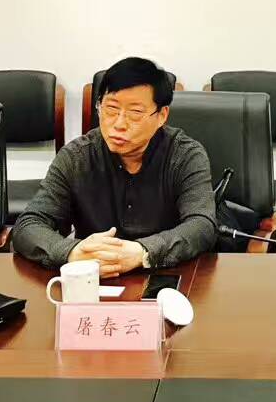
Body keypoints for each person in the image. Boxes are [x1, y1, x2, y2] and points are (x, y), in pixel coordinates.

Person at [12, 57, 216, 273]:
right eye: (111, 109)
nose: (119, 124)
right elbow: (29, 225)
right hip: (94, 278)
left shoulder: (185, 155)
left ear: (161, 116)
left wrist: (143, 252)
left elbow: (202, 225)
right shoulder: (76, 157)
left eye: (135, 112)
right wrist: (72, 252)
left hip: (168, 277)